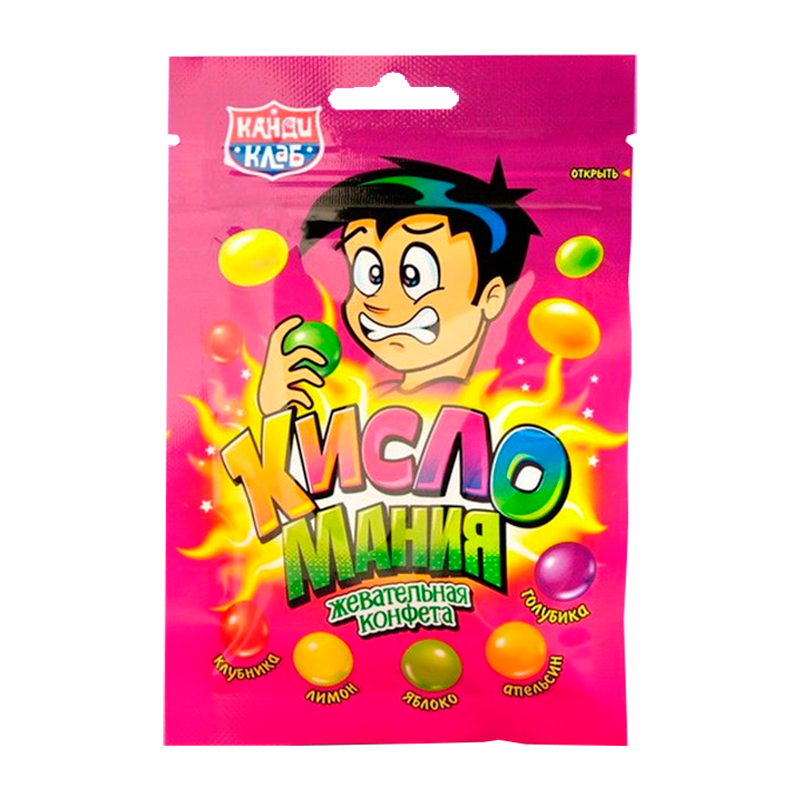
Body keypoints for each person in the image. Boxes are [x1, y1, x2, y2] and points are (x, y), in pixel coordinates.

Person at [259, 157, 539, 415]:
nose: (379, 302)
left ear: (491, 297)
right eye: (371, 275)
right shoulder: (368, 403)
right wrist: (276, 408)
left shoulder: (499, 408)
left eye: (413, 277)